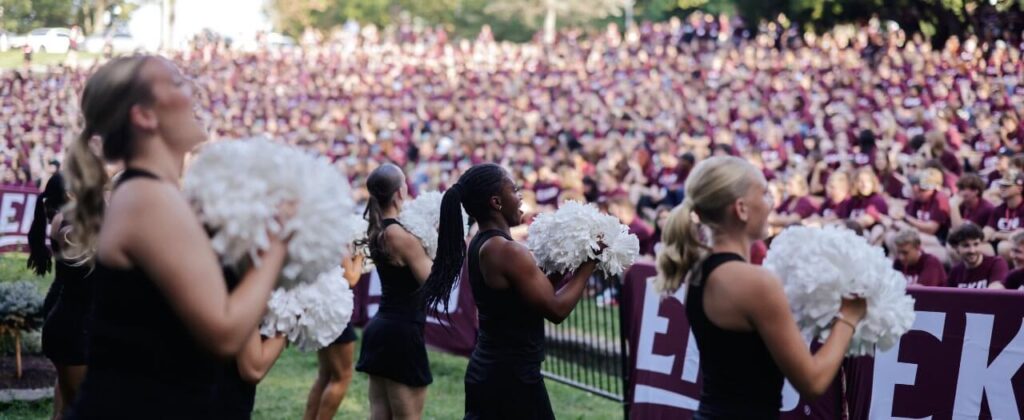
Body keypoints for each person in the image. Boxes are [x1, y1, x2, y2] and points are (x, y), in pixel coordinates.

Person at [63, 55, 291, 418]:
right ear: (145, 116)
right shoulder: (147, 198)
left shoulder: (159, 195)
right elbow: (225, 333)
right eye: (177, 82)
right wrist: (283, 241)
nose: (195, 89)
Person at [656, 156, 866, 418]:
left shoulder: (699, 268)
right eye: (765, 194)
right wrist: (850, 315)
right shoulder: (755, 282)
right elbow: (813, 382)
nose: (772, 203)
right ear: (741, 208)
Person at [419, 163, 601, 419]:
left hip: (494, 369)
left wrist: (567, 259)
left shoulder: (485, 243)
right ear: (496, 201)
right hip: (511, 378)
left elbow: (537, 293)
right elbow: (556, 309)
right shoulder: (506, 250)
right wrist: (590, 262)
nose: (520, 197)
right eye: (514, 189)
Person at [355, 164, 435, 420]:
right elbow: (434, 284)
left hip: (382, 328)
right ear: (400, 192)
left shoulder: (380, 228)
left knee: (379, 414)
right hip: (402, 332)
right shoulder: (400, 235)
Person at [28, 172, 90, 419]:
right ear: (71, 194)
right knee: (79, 409)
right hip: (74, 326)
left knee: (66, 408)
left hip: (70, 317)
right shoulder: (69, 227)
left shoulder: (70, 220)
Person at [304, 250, 365, 420]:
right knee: (342, 376)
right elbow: (351, 278)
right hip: (333, 311)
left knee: (325, 375)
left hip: (318, 307)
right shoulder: (339, 233)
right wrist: (360, 256)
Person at [947, 224, 1009, 289]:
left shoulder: (996, 263)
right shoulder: (955, 271)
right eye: (966, 245)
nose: (972, 250)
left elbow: (995, 294)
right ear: (956, 248)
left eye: (976, 244)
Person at [984, 171, 1024, 260]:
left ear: (1019, 189)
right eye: (1001, 185)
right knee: (980, 248)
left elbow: (1018, 236)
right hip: (1002, 245)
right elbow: (987, 231)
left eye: (1007, 186)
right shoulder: (1000, 209)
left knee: (1004, 247)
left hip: (1020, 247)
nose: (1002, 188)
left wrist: (997, 235)